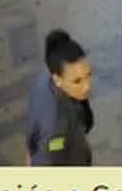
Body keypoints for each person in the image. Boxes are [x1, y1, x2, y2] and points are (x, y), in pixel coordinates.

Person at [26, 29, 95, 166]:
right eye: (77, 81)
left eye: (88, 74)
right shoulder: (57, 128)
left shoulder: (46, 80)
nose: (87, 86)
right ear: (57, 79)